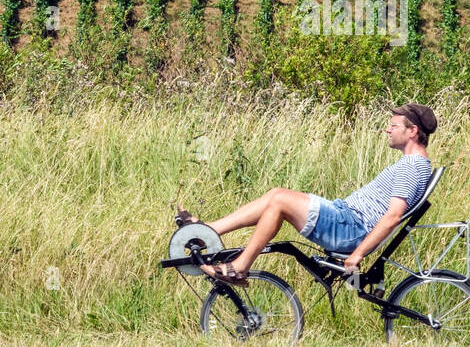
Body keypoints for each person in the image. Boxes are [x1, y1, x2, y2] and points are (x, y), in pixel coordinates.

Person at [180, 104, 438, 286]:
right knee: (276, 195)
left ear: (413, 131)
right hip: (344, 219)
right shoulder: (412, 165)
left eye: (393, 126)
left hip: (349, 229)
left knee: (280, 199)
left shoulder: (411, 167)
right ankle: (206, 231)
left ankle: (239, 266)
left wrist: (357, 255)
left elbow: (393, 217)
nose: (387, 130)